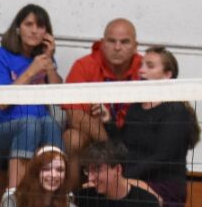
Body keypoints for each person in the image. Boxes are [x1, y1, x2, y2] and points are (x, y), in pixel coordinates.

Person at [0, 3, 64, 187]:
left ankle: (56, 194)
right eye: (29, 24)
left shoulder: (43, 60)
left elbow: (59, 100)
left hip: (40, 130)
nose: (34, 31)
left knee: (51, 123)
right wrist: (31, 71)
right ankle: (15, 195)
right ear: (17, 28)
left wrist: (49, 60)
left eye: (40, 26)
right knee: (30, 123)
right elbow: (1, 102)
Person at [120, 45, 199, 207]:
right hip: (133, 181)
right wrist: (108, 122)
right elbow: (124, 146)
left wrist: (123, 177)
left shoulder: (175, 111)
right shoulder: (135, 108)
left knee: (125, 192)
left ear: (167, 75)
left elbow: (163, 156)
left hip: (164, 187)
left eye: (150, 66)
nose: (141, 70)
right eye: (141, 65)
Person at [60, 17, 141, 156]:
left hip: (132, 134)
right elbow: (75, 115)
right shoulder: (84, 65)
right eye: (111, 41)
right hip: (96, 134)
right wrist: (111, 149)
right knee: (73, 139)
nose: (117, 48)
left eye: (125, 42)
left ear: (135, 46)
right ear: (102, 44)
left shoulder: (145, 68)